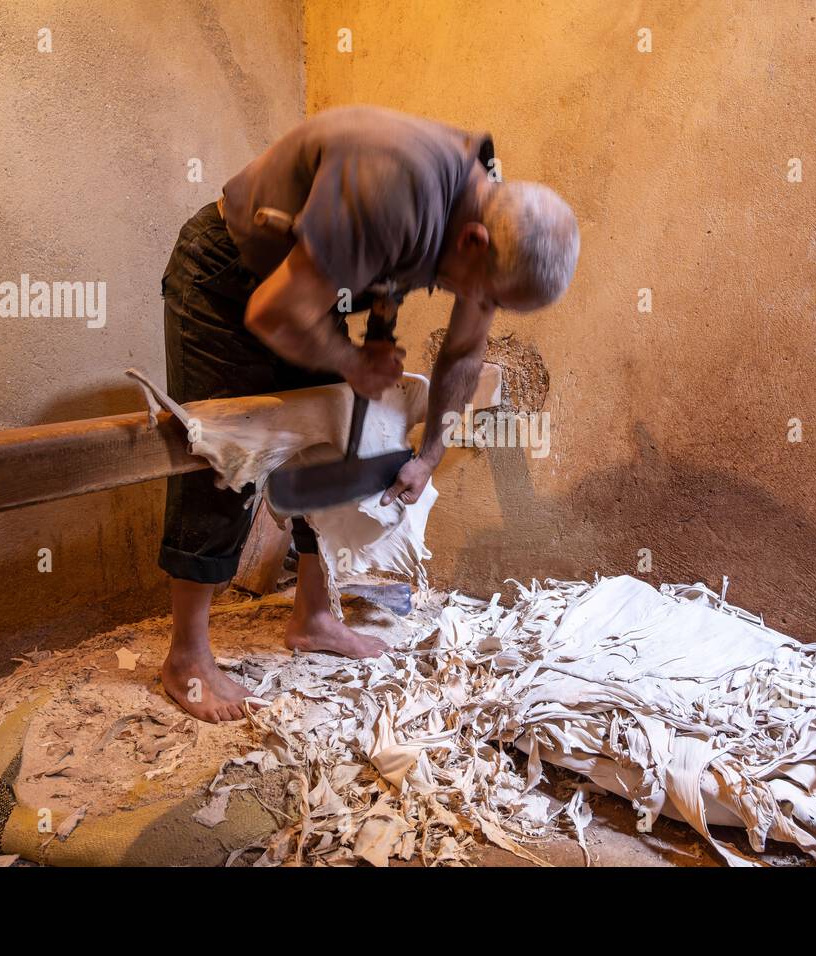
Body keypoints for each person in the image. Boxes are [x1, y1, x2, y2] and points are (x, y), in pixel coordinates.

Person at [157, 105, 580, 722]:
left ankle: (314, 616)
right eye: (485, 294)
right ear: (472, 242)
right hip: (228, 276)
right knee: (226, 452)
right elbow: (272, 311)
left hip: (302, 283)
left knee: (335, 438)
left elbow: (464, 350)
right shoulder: (391, 191)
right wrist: (353, 365)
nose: (479, 306)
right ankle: (186, 658)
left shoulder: (488, 213)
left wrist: (430, 455)